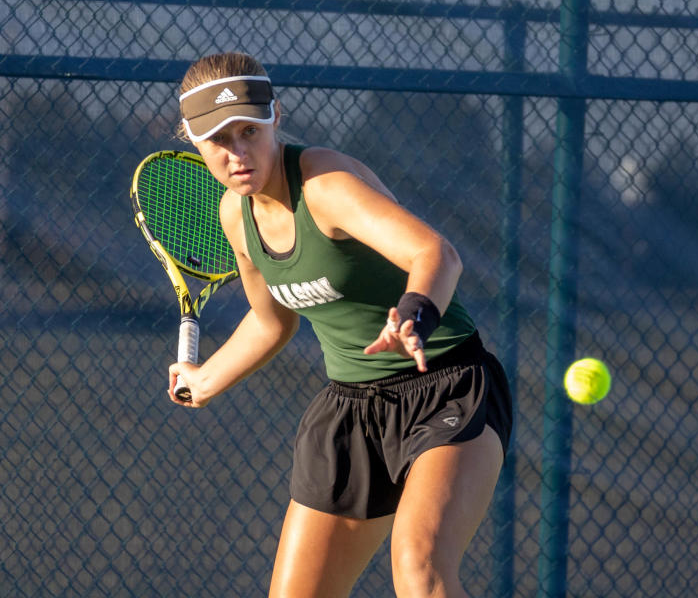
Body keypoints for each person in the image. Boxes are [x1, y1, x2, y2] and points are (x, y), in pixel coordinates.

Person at [167, 51, 513, 598]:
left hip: (447, 387)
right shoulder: (235, 215)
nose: (237, 153)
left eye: (248, 132)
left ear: (275, 117)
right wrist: (204, 379)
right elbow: (270, 322)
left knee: (419, 569)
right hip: (351, 413)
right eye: (218, 140)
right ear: (192, 139)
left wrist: (415, 314)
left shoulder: (327, 186)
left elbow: (436, 253)